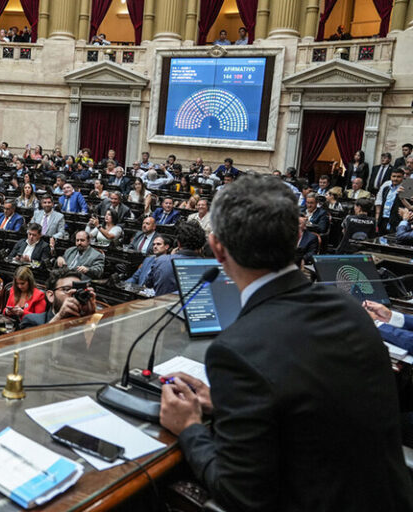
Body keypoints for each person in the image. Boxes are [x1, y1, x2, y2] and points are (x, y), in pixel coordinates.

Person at [159, 174, 413, 512]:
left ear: (217, 248)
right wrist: (232, 405)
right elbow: (313, 408)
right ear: (296, 235)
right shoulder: (350, 309)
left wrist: (189, 427)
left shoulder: (235, 349)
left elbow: (242, 495)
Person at [19, 268, 96, 329]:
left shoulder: (91, 319)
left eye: (79, 290)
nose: (73, 294)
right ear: (51, 296)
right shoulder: (33, 320)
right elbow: (34, 346)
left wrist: (90, 319)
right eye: (66, 289)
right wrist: (59, 317)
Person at [146, 220, 206, 295]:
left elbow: (148, 283)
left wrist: (170, 257)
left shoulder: (161, 260)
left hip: (162, 305)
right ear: (201, 245)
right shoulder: (209, 267)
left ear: (178, 243)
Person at [376, 168, 405, 234]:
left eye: (398, 177)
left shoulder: (404, 190)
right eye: (394, 176)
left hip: (396, 221)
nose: (395, 179)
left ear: (403, 178)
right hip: (383, 219)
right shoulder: (386, 189)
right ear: (390, 177)